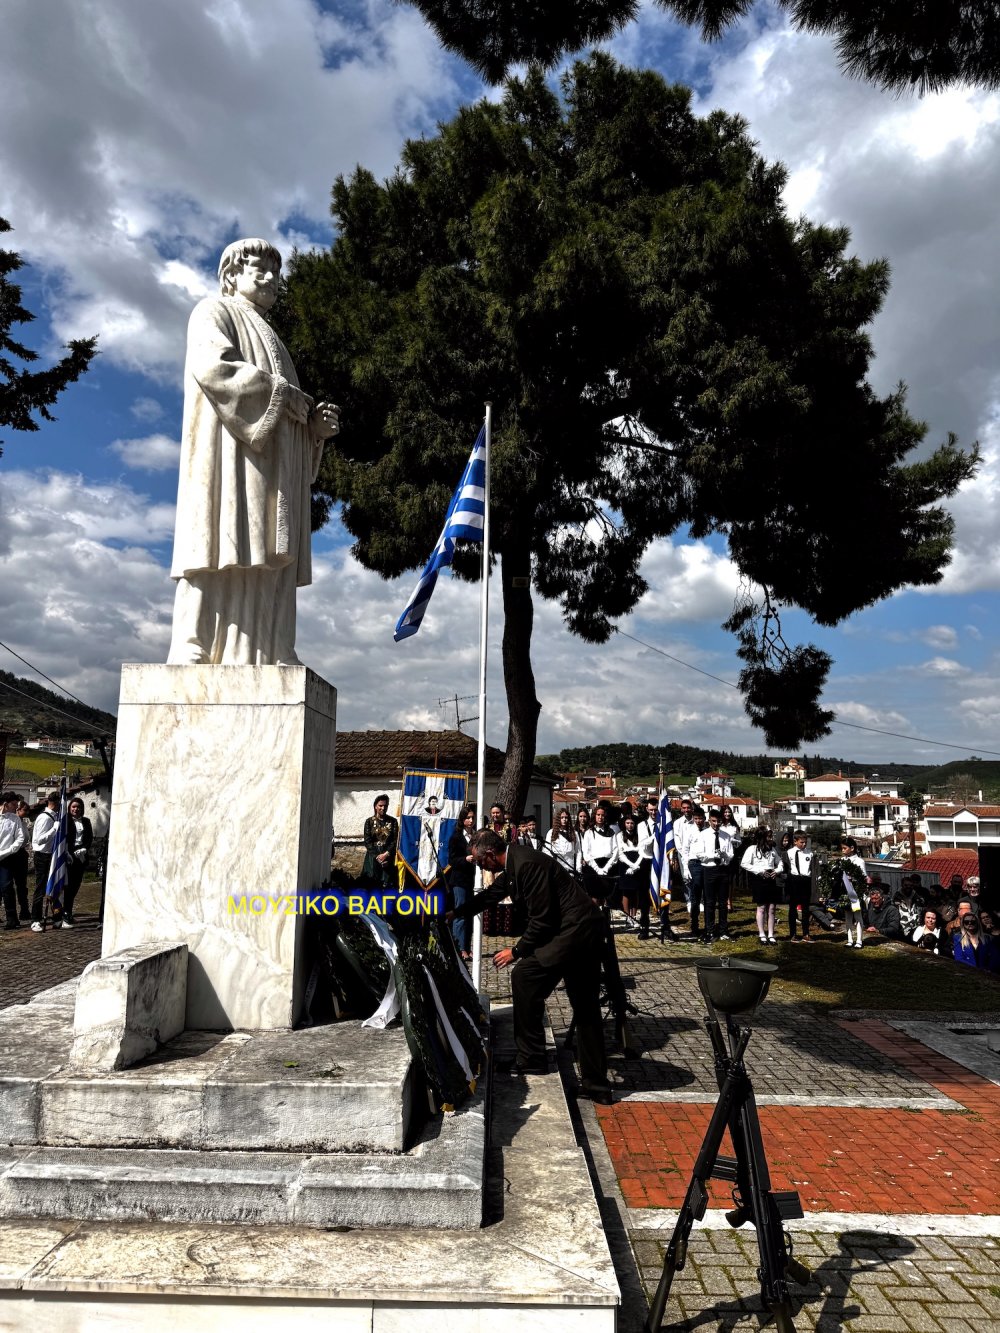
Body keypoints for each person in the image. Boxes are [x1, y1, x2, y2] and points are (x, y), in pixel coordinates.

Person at [167, 238, 340, 666]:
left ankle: (269, 647)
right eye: (259, 269)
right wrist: (283, 396)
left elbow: (288, 411)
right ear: (231, 276)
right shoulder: (213, 312)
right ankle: (196, 644)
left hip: (270, 470)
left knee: (263, 553)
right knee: (216, 544)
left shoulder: (275, 341)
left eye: (275, 272)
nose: (270, 278)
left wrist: (313, 430)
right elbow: (215, 368)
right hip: (227, 458)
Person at [459, 830, 610, 1101]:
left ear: (491, 855)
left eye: (482, 863)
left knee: (529, 978)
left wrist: (515, 951)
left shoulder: (526, 863)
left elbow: (543, 920)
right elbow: (492, 894)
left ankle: (537, 1060)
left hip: (577, 934)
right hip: (572, 932)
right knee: (572, 1002)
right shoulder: (515, 862)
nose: (482, 867)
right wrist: (455, 913)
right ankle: (590, 1083)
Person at [691, 809, 735, 942]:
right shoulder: (703, 835)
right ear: (709, 820)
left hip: (722, 869)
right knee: (709, 902)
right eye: (714, 821)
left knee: (722, 902)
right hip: (709, 869)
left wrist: (724, 855)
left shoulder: (726, 835)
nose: (716, 824)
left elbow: (731, 853)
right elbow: (699, 853)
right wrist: (712, 856)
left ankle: (723, 930)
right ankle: (709, 930)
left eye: (719, 821)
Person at [742, 827, 782, 945]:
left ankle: (771, 934)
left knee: (772, 908)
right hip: (759, 879)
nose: (771, 839)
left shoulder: (772, 849)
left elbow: (780, 863)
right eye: (769, 836)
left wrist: (777, 871)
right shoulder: (752, 849)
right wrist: (759, 871)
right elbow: (744, 863)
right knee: (762, 907)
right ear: (762, 837)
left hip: (771, 879)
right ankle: (761, 934)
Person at [447, 805, 477, 959]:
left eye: (472, 817)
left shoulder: (476, 836)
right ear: (462, 820)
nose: (471, 820)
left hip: (473, 879)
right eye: (468, 818)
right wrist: (465, 859)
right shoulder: (456, 837)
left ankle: (467, 946)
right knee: (460, 912)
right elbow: (451, 860)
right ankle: (459, 948)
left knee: (470, 913)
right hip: (459, 879)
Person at [29, 791, 60, 931]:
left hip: (52, 854)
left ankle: (57, 917)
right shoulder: (44, 818)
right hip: (42, 856)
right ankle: (35, 919)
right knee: (41, 888)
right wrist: (54, 830)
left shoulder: (55, 816)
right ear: (55, 803)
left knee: (54, 886)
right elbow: (38, 840)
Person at [62, 796, 93, 927]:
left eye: (79, 807)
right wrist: (67, 852)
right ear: (69, 808)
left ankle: (68, 911)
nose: (76, 809)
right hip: (69, 855)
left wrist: (85, 848)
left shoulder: (86, 821)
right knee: (68, 887)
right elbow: (64, 838)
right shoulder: (66, 821)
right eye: (74, 807)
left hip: (81, 856)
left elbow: (89, 837)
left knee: (76, 885)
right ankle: (65, 913)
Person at [0, 792, 26, 930]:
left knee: (6, 887)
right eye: (14, 805)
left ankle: (12, 919)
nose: (16, 808)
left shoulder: (15, 819)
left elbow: (20, 838)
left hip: (6, 858)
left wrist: (9, 850)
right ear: (5, 804)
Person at [614, 811, 644, 928]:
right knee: (626, 892)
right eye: (627, 823)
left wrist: (636, 866)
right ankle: (628, 917)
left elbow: (642, 851)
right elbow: (620, 853)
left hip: (637, 863)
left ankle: (634, 916)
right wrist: (630, 865)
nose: (630, 825)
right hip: (625, 864)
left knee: (635, 892)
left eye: (632, 823)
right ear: (624, 824)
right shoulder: (620, 836)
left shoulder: (639, 835)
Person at [581, 804, 617, 902]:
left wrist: (606, 868)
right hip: (593, 867)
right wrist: (597, 869)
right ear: (594, 816)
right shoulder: (589, 833)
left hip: (607, 866)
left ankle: (605, 915)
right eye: (598, 815)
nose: (600, 817)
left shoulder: (611, 832)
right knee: (595, 896)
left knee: (606, 897)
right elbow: (586, 853)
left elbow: (615, 851)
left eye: (602, 815)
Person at [362, 794, 399, 888]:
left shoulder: (393, 821)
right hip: (373, 857)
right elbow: (367, 841)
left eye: (385, 806)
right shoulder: (369, 822)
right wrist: (377, 857)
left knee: (388, 886)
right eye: (380, 805)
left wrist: (386, 854)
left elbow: (395, 840)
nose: (383, 808)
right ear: (375, 806)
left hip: (388, 857)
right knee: (371, 885)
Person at [785, 830, 815, 943]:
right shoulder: (789, 853)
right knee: (793, 908)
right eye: (801, 842)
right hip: (794, 880)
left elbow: (812, 868)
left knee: (805, 908)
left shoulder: (809, 853)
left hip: (805, 880)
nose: (804, 844)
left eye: (805, 842)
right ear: (795, 841)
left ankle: (806, 933)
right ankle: (793, 934)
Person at [839, 836, 868, 949]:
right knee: (847, 916)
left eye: (844, 848)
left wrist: (854, 879)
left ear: (852, 848)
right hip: (845, 891)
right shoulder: (842, 860)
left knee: (858, 916)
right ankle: (850, 939)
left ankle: (859, 940)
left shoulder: (860, 861)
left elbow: (863, 876)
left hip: (855, 892)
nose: (843, 851)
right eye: (842, 848)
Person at [544, 809, 581, 877]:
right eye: (562, 817)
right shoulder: (551, 833)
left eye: (566, 817)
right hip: (556, 869)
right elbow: (547, 851)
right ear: (558, 819)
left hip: (570, 868)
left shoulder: (574, 833)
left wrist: (578, 869)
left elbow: (578, 852)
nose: (564, 819)